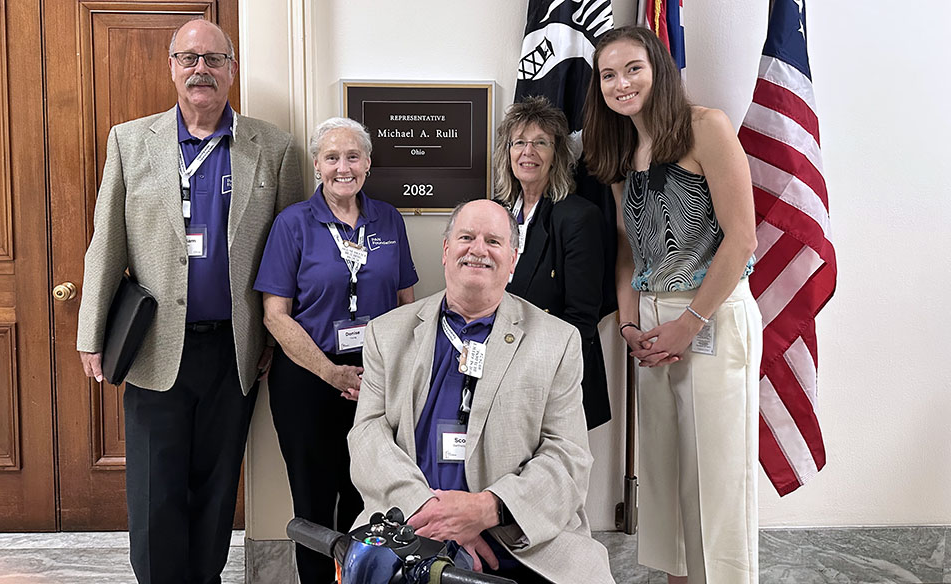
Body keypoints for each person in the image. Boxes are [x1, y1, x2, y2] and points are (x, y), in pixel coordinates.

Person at [75, 19, 302, 583]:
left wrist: (280, 333)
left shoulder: (272, 147)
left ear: (231, 69)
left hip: (235, 350)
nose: (201, 69)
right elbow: (107, 244)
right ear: (172, 67)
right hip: (154, 347)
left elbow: (290, 251)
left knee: (217, 484)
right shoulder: (131, 141)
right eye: (189, 58)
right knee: (155, 488)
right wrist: (91, 333)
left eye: (213, 58)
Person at [347, 199, 614, 584]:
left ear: (513, 259)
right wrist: (430, 511)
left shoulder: (557, 341)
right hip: (409, 530)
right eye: (466, 237)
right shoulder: (387, 334)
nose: (478, 249)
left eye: (493, 241)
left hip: (521, 541)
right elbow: (367, 435)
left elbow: (568, 458)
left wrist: (487, 509)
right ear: (445, 250)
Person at [582, 26, 762, 584]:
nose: (621, 83)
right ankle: (675, 578)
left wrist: (691, 322)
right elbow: (628, 254)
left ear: (658, 68)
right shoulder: (619, 150)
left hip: (713, 313)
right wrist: (630, 323)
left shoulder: (706, 127)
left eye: (632, 67)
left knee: (715, 470)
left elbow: (742, 240)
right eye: (608, 74)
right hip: (654, 322)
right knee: (662, 469)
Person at [254, 117, 417, 583]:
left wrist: (388, 376)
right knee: (313, 502)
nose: (343, 167)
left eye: (353, 156)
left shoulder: (388, 219)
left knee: (370, 498)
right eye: (332, 157)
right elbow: (275, 315)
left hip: (376, 382)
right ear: (317, 164)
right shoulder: (293, 224)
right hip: (309, 381)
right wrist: (332, 374)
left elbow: (406, 306)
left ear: (368, 162)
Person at [495, 96, 610, 430]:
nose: (528, 152)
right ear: (508, 152)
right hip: (498, 371)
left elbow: (581, 319)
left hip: (553, 379)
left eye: (540, 143)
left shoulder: (578, 217)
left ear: (557, 155)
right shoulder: (494, 211)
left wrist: (539, 375)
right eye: (519, 142)